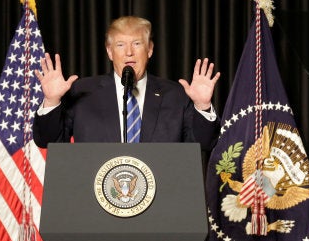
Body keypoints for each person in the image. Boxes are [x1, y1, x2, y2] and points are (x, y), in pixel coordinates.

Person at [32, 16, 221, 151]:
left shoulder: (176, 95)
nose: (129, 52)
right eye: (120, 45)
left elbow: (204, 144)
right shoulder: (82, 92)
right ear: (109, 52)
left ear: (150, 50)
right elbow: (47, 141)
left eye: (137, 44)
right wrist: (51, 102)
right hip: (95, 201)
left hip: (161, 201)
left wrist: (203, 106)